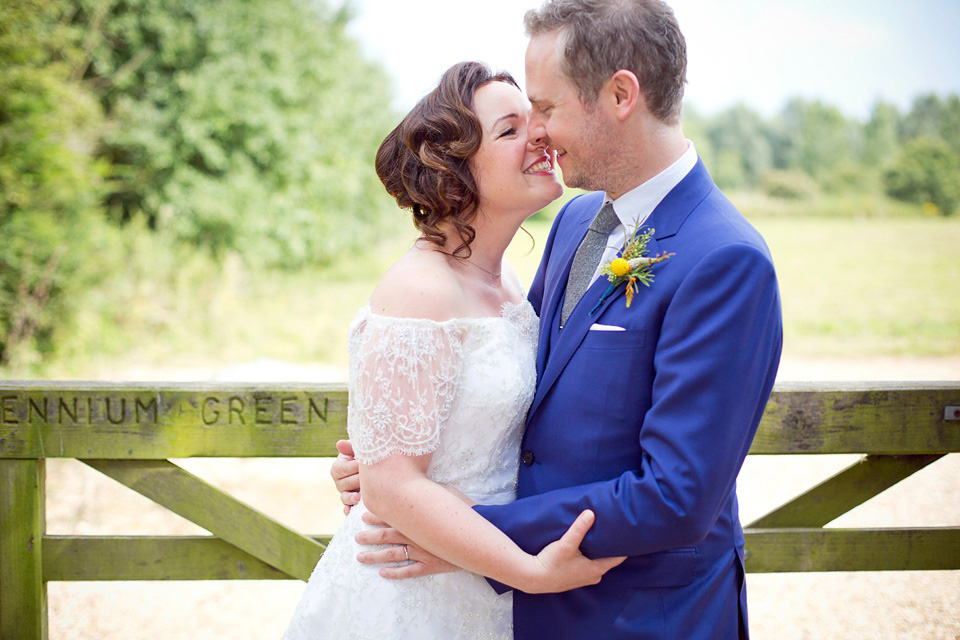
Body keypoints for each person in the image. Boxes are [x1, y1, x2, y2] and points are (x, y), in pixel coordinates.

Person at [333, 1, 783, 639]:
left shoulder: (725, 259)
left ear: (620, 94)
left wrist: (469, 532)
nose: (539, 131)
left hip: (644, 615)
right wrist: (393, 474)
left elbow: (678, 496)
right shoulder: (575, 223)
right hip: (525, 602)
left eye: (545, 107)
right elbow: (524, 390)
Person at [281, 61, 624, 640]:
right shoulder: (420, 288)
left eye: (536, 119)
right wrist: (530, 572)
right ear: (456, 170)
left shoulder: (509, 283)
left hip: (477, 573)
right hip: (413, 588)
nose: (539, 134)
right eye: (510, 130)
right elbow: (393, 486)